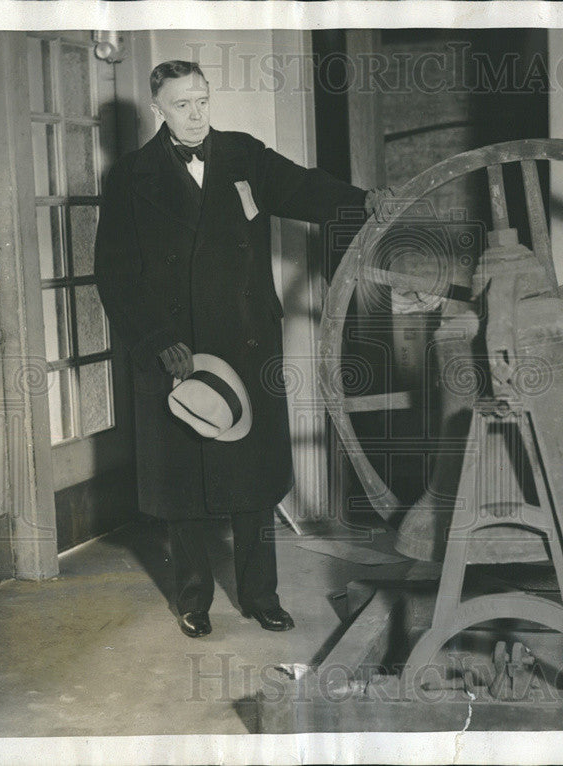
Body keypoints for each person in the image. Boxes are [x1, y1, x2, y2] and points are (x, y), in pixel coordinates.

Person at [95, 60, 377, 637]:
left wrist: (365, 202)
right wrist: (155, 340)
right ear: (158, 110)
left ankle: (260, 596)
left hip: (245, 338)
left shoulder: (244, 153)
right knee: (185, 485)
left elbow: (304, 187)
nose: (196, 115)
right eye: (182, 105)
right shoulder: (129, 176)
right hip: (176, 349)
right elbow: (115, 274)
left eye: (203, 100)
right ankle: (193, 599)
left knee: (253, 475)